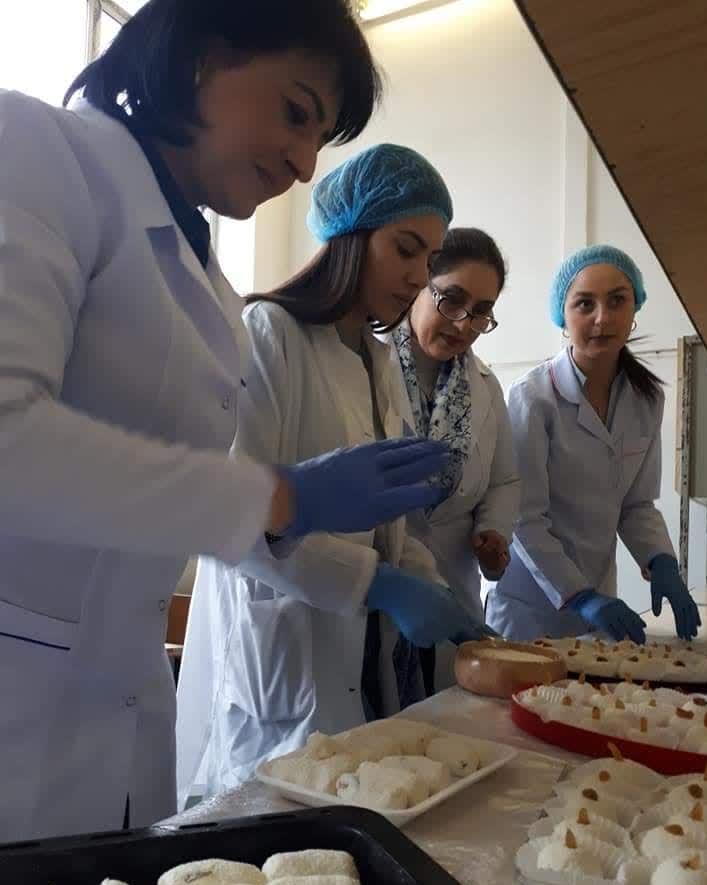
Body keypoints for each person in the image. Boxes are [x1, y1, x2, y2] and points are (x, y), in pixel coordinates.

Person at [0, 1, 449, 844]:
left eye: (322, 137)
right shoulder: (33, 150)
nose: (305, 162)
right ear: (203, 56)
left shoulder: (201, 271)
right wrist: (277, 498)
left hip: (124, 725)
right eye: (296, 112)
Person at [176, 144, 482, 805]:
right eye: (405, 249)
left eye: (429, 259)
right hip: (279, 669)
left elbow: (385, 528)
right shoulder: (269, 333)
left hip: (356, 660)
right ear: (351, 233)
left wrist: (430, 586)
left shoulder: (377, 361)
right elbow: (235, 522)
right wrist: (376, 583)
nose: (417, 276)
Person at [486, 245, 701, 644]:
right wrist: (579, 595)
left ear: (634, 308)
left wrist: (662, 561)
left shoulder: (646, 398)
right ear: (563, 316)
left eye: (617, 300)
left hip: (602, 608)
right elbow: (524, 519)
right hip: (530, 613)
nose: (602, 318)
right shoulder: (533, 398)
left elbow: (636, 505)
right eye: (585, 303)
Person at [387, 228, 520, 693]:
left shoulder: (485, 387)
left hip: (452, 596)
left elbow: (504, 480)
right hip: (378, 595)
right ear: (419, 285)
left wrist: (494, 532)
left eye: (481, 312)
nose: (464, 323)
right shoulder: (365, 362)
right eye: (452, 300)